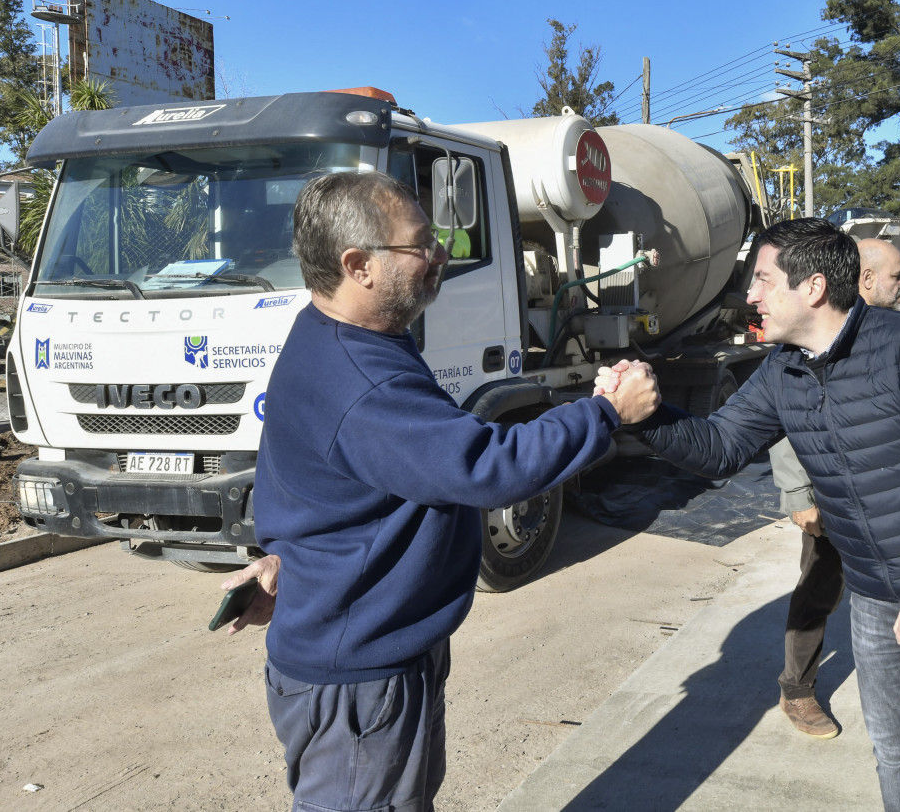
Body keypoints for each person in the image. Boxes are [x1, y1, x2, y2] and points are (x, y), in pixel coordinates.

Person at [604, 219, 900, 811]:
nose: (751, 294)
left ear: (811, 288)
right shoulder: (782, 370)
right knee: (896, 751)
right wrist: (647, 416)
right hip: (873, 593)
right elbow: (722, 447)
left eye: (761, 279)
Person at [219, 171, 659, 812]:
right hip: (363, 675)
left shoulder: (335, 337)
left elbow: (313, 481)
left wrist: (295, 563)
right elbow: (488, 467)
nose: (441, 255)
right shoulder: (361, 378)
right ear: (358, 265)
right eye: (420, 244)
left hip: (359, 640)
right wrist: (606, 412)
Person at [769, 238, 900, 740]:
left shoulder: (896, 336)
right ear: (867, 280)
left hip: (892, 506)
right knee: (820, 591)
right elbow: (786, 423)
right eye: (897, 276)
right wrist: (800, 496)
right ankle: (797, 690)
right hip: (832, 503)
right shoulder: (812, 338)